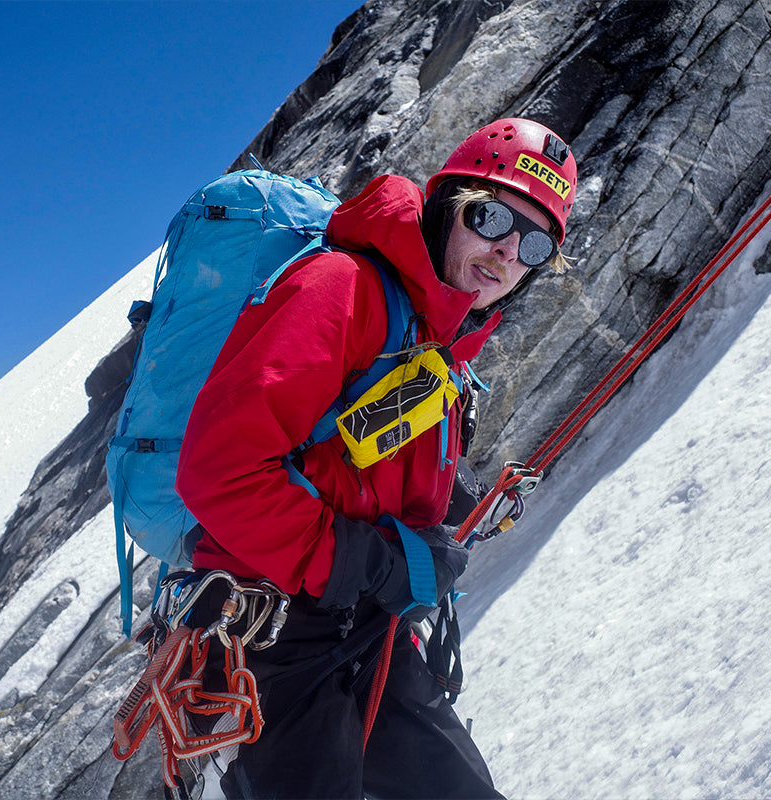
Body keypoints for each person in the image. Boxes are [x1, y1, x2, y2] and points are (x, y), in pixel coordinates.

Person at [175, 117, 577, 799]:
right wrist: (376, 563)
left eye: (534, 244)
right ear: (447, 206)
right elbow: (221, 471)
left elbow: (356, 454)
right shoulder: (341, 289)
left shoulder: (436, 340)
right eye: (491, 218)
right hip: (269, 635)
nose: (507, 251)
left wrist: (441, 512)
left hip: (364, 626)